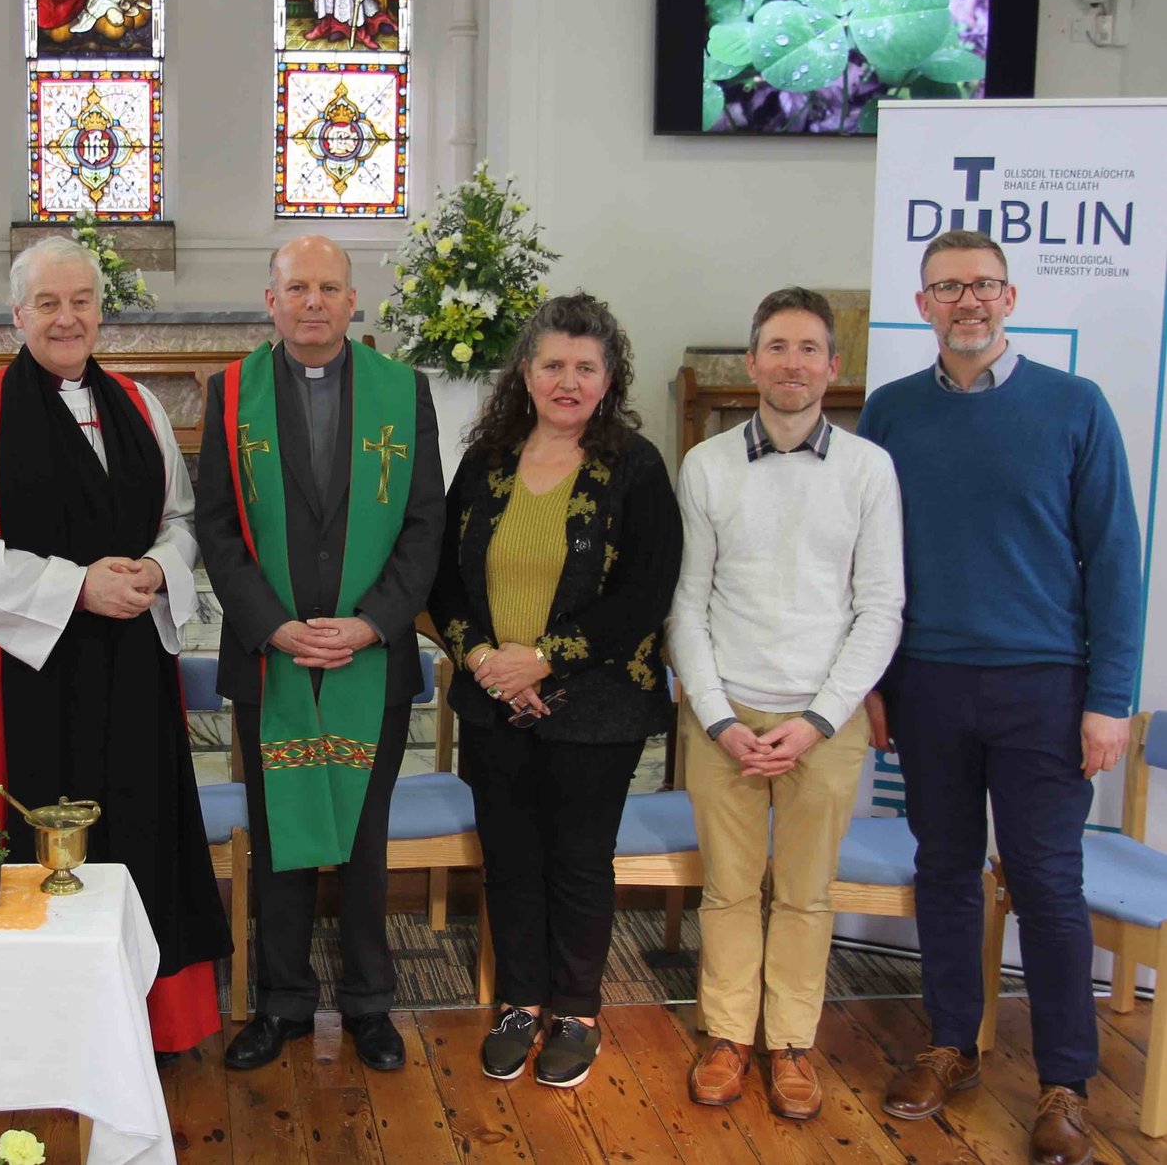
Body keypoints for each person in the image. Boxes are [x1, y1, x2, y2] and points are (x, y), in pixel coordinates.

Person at [860, 230, 1140, 1165]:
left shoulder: (1074, 406)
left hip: (1044, 689)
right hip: (929, 683)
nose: (967, 302)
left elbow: (1116, 561)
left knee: (1049, 885)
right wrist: (879, 683)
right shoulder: (891, 415)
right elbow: (874, 562)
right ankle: (951, 1042)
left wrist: (1110, 698)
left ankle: (1065, 1080)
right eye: (948, 288)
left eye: (982, 285)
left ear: (1010, 297)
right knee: (942, 869)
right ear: (924, 302)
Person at [0, 236, 229, 1058]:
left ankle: (149, 1026)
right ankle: (36, 1035)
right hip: (32, 672)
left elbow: (182, 517)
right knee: (39, 847)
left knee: (141, 833)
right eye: (48, 304)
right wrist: (75, 586)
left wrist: (159, 571)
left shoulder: (139, 402)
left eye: (81, 301)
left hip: (132, 667)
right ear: (17, 315)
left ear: (101, 309)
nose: (67, 318)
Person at [196, 234, 443, 1073]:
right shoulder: (231, 394)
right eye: (296, 286)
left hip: (368, 656)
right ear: (270, 300)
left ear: (351, 302)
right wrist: (272, 624)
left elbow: (423, 526)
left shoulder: (402, 393)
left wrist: (373, 622)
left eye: (328, 287)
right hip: (273, 655)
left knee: (365, 839)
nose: (312, 301)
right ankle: (282, 1003)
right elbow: (220, 530)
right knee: (277, 836)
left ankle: (371, 1004)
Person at [426, 293, 680, 1089]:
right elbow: (442, 576)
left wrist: (545, 661)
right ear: (525, 373)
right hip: (492, 698)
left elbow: (646, 590)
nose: (567, 381)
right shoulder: (486, 461)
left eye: (585, 366)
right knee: (509, 858)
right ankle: (519, 1003)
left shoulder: (635, 465)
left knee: (577, 860)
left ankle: (576, 1011)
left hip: (598, 704)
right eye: (552, 365)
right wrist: (486, 661)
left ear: (609, 377)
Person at [666, 287, 903, 1119]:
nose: (793, 363)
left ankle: (792, 1042)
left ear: (833, 367)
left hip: (823, 721)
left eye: (810, 348)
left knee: (806, 892)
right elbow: (686, 605)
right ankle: (729, 1034)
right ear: (754, 360)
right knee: (729, 890)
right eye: (777, 346)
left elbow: (881, 607)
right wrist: (721, 716)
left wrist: (817, 720)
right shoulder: (707, 464)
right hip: (725, 713)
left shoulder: (871, 469)